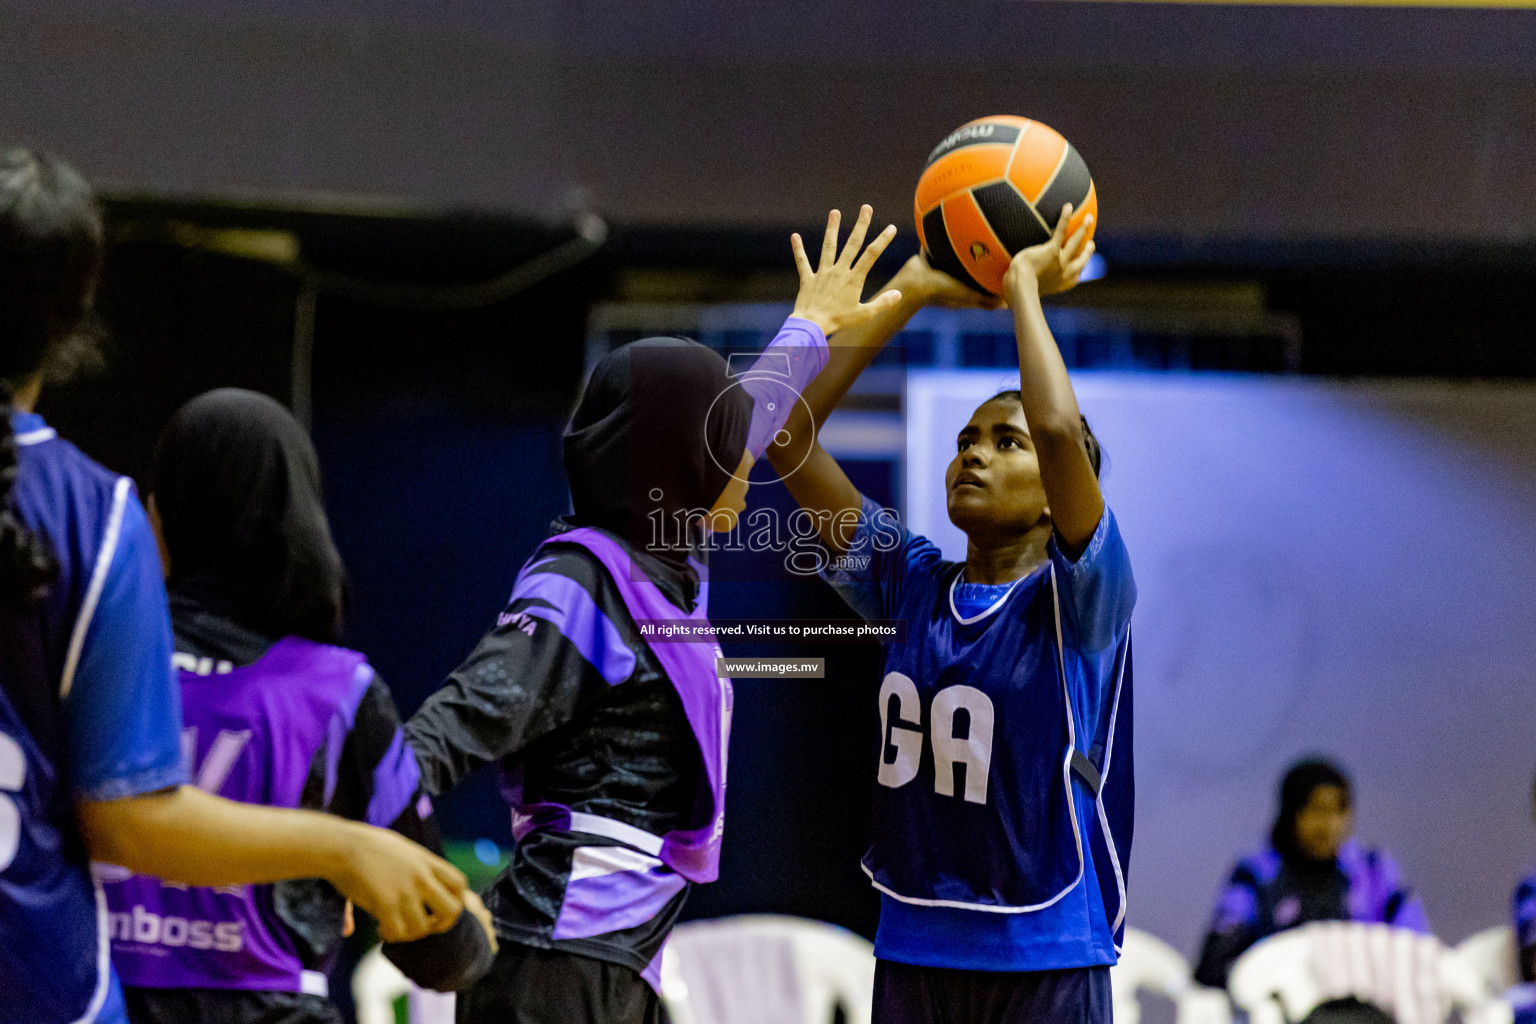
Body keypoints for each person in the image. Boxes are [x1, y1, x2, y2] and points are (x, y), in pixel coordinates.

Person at [0, 149, 472, 1024]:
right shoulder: (96, 526)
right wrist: (349, 852)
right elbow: (443, 950)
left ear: (165, 516)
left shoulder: (102, 537)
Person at [404, 204, 900, 1024]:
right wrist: (377, 869)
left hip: (614, 968)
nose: (746, 461)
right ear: (680, 466)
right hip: (549, 975)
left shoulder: (668, 561)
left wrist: (811, 325)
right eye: (723, 449)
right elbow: (433, 739)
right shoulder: (579, 586)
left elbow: (746, 419)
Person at [765, 206, 1133, 1024]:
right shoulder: (911, 582)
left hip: (1043, 942)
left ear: (1057, 498)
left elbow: (1060, 426)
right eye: (968, 438)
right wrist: (914, 288)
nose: (974, 451)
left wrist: (1025, 286)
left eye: (1007, 443)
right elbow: (786, 437)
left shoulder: (1084, 596)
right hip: (913, 940)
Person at [100, 389, 496, 1023]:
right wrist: (469, 932)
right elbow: (437, 953)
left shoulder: (92, 663)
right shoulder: (338, 691)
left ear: (163, 516)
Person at [1192, 758, 1430, 988]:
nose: (1328, 826)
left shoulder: (1373, 870)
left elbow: (1419, 952)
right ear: (1290, 815)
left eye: (1338, 811)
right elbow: (1213, 965)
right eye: (1316, 811)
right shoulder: (1256, 875)